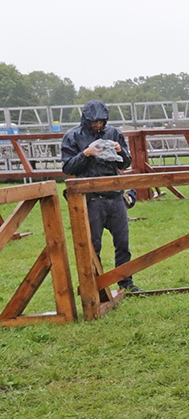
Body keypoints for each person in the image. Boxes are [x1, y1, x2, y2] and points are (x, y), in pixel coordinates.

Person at [61, 100, 141, 293]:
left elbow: (125, 164)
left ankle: (125, 282)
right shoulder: (72, 136)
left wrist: (121, 152)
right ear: (86, 119)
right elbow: (67, 168)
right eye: (94, 121)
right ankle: (95, 284)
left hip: (115, 196)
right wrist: (86, 154)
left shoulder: (114, 133)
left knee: (122, 242)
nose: (98, 125)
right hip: (91, 199)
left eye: (101, 121)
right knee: (93, 244)